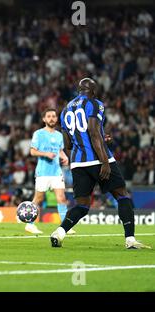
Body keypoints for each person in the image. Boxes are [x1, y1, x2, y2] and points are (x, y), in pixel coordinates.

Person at [51, 78, 151, 249]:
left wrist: (83, 151)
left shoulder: (65, 109)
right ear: (94, 91)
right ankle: (130, 240)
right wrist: (104, 161)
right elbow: (93, 131)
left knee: (82, 205)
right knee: (122, 196)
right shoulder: (95, 104)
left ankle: (59, 233)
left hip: (78, 162)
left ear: (78, 90)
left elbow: (67, 143)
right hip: (98, 159)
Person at [25, 108, 72, 235]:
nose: (51, 118)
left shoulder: (59, 135)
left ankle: (64, 226)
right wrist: (45, 154)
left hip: (56, 172)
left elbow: (60, 150)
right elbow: (32, 151)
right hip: (43, 172)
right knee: (38, 199)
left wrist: (65, 157)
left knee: (61, 198)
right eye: (49, 116)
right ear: (44, 119)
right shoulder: (38, 134)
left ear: (56, 119)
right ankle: (30, 224)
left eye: (53, 116)